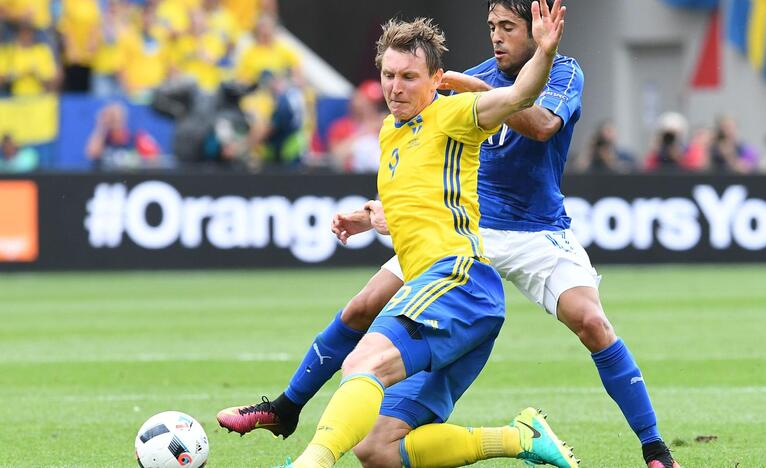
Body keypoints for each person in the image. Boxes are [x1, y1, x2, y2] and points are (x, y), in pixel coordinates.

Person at [219, 1, 678, 467]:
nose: (497, 36)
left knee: (592, 324)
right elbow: (423, 166)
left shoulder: (558, 72)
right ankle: (286, 407)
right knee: (361, 311)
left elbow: (540, 125)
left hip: (532, 228)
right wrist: (374, 213)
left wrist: (482, 87)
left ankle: (655, 447)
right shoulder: (426, 104)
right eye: (491, 26)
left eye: (508, 27)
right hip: (467, 227)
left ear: (533, 28)